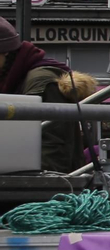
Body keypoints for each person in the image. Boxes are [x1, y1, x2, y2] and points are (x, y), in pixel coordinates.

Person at [0, 18, 92, 169]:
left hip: (45, 182)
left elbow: (53, 144)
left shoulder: (41, 81)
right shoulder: (11, 77)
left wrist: (36, 183)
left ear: (6, 52)